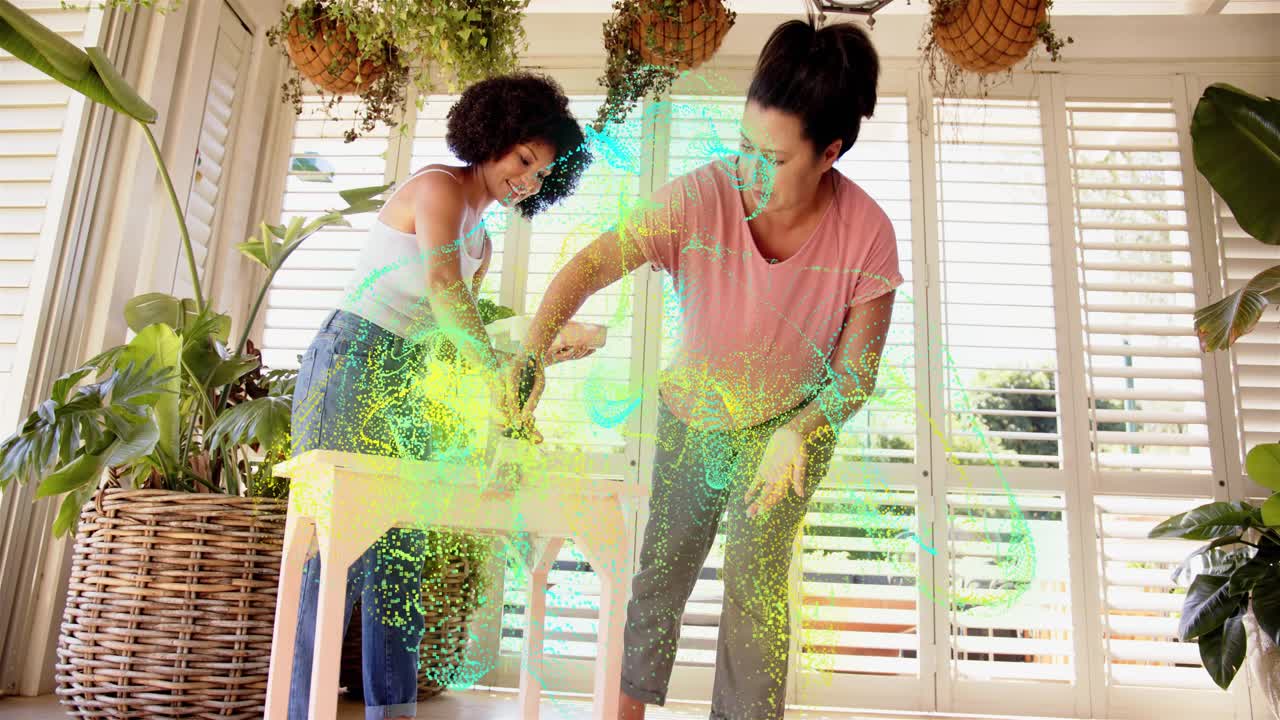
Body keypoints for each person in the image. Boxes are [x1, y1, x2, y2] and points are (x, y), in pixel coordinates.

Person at [502, 19, 901, 720]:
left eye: (772, 159)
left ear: (829, 153)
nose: (748, 169)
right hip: (694, 416)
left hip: (789, 428)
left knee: (755, 583)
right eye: (744, 145)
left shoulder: (866, 231)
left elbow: (855, 374)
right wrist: (533, 349)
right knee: (661, 575)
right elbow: (593, 263)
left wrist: (803, 431)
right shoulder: (700, 197)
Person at [286, 72, 590, 720]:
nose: (528, 180)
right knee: (336, 552)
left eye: (541, 173)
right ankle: (295, 711)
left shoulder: (483, 234)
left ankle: (390, 713)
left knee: (401, 553)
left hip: (406, 378)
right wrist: (498, 375)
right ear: (494, 136)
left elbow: (454, 338)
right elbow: (444, 289)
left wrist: (532, 363)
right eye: (524, 160)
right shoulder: (437, 188)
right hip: (352, 360)